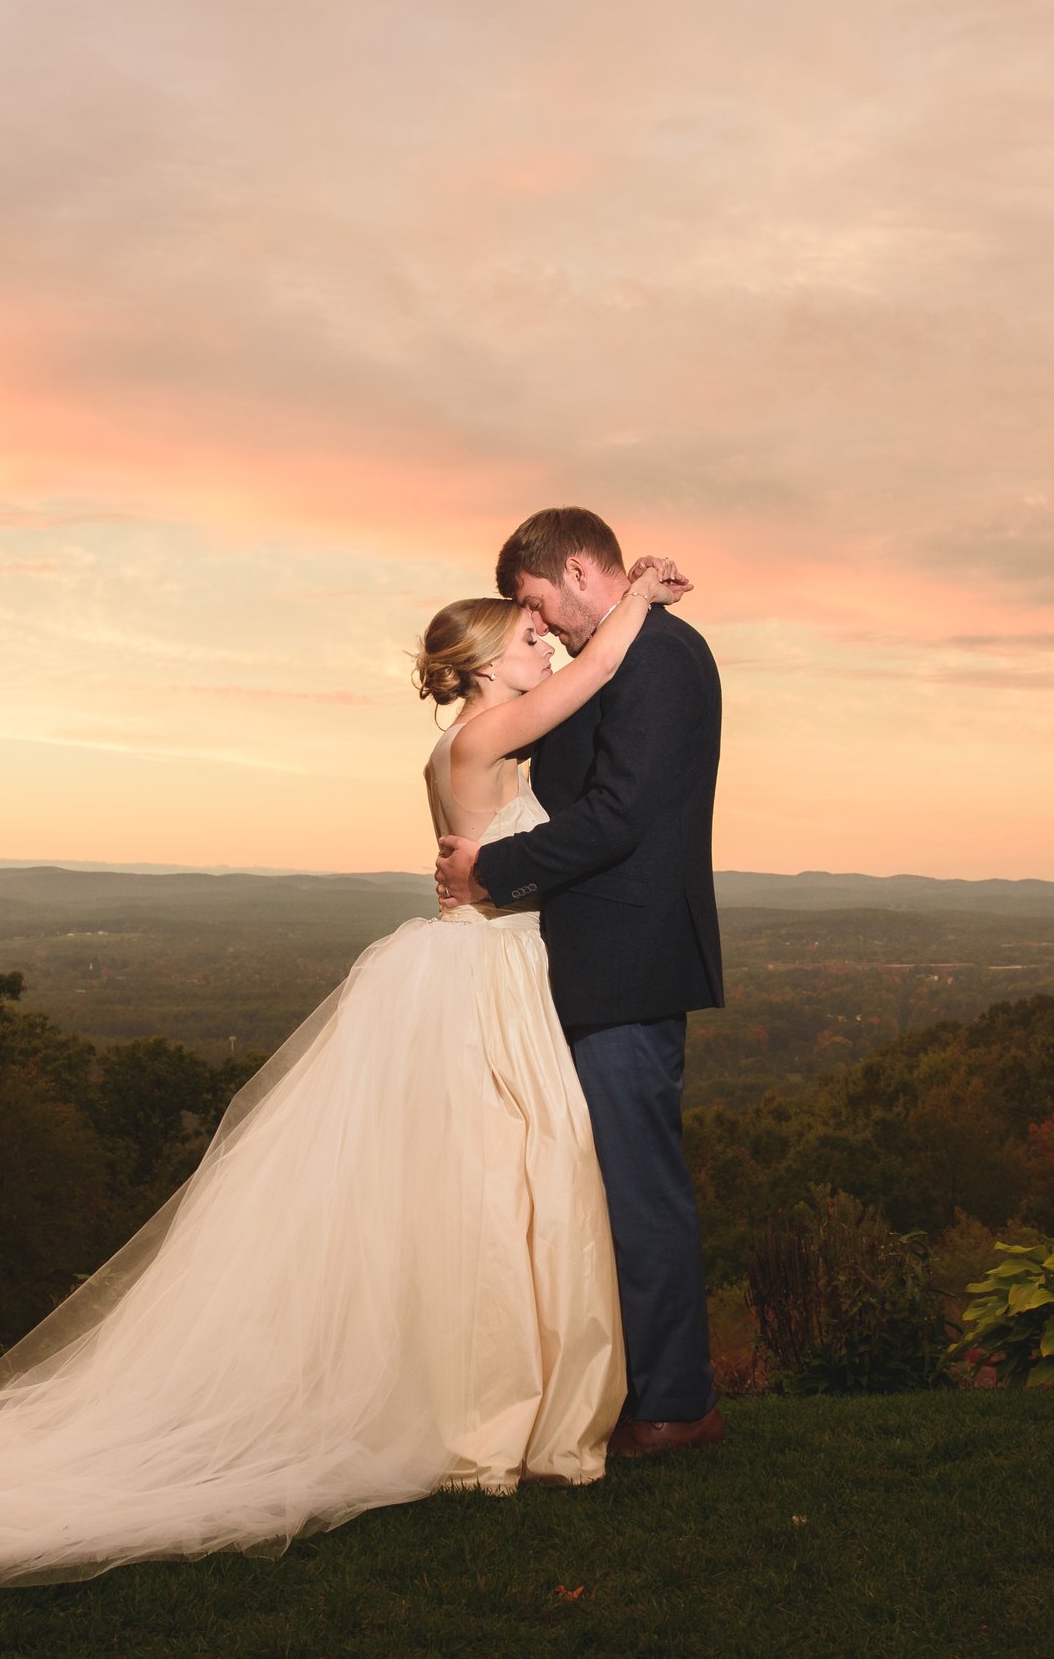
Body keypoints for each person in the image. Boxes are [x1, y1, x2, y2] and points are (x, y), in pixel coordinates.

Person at [0, 550, 692, 1589]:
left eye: (543, 631)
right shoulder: (491, 729)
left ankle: (488, 1409)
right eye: (526, 635)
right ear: (482, 663)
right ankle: (502, 1420)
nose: (545, 644)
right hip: (488, 973)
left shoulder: (445, 749)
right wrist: (637, 599)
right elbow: (597, 673)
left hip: (464, 964)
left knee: (481, 1192)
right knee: (506, 1192)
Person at [435, 505, 726, 1457]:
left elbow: (619, 815)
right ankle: (610, 1388)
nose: (544, 628)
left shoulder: (662, 660)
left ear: (571, 570)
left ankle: (676, 1404)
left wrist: (489, 872)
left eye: (534, 604)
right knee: (584, 1192)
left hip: (628, 967)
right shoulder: (617, 655)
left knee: (641, 1190)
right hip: (569, 967)